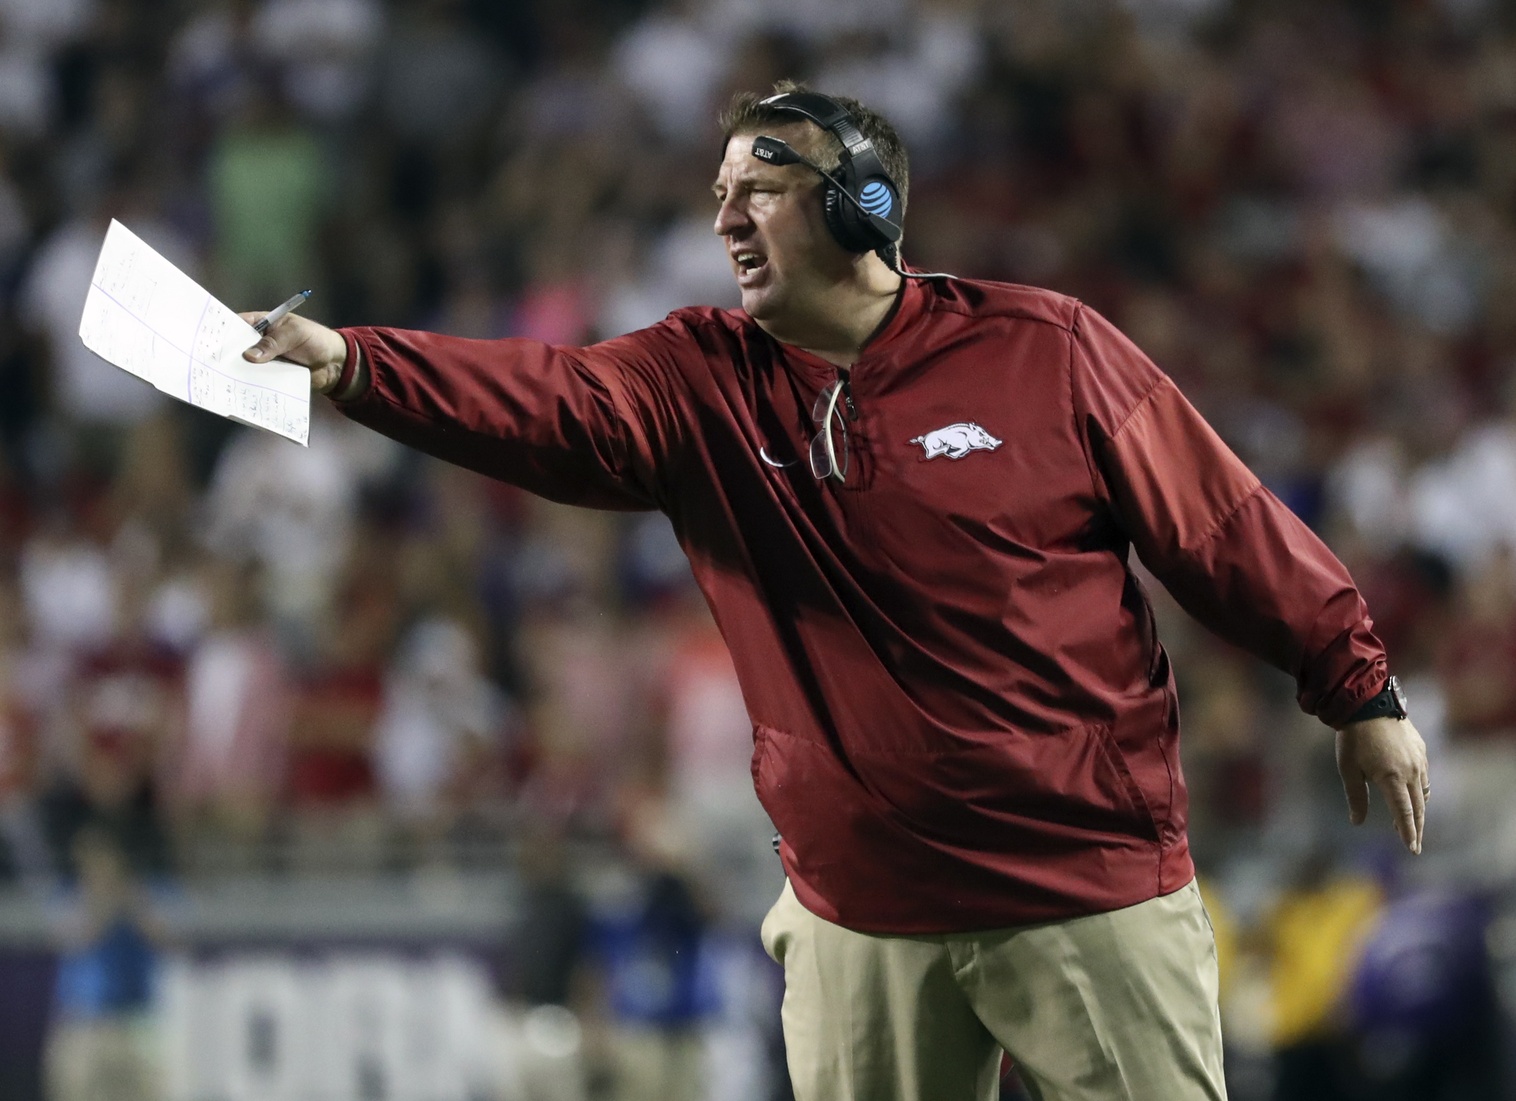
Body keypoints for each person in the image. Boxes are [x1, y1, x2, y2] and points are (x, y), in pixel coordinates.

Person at [241, 82, 1430, 1101]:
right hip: (859, 917)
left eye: (755, 186)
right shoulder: (695, 378)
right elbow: (546, 398)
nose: (722, 217)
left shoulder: (1045, 347)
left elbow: (1218, 524)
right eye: (717, 193)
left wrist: (1359, 691)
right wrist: (350, 362)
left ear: (860, 203)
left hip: (1086, 891)